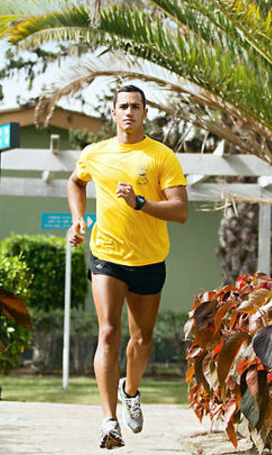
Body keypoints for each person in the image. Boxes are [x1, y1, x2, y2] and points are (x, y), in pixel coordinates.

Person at [66, 85, 188, 449]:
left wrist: (140, 203)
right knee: (107, 332)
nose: (129, 112)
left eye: (136, 106)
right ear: (114, 112)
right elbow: (75, 181)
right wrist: (77, 220)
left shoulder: (161, 156)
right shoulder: (95, 153)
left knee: (141, 339)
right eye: (123, 106)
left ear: (145, 113)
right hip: (106, 255)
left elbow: (180, 211)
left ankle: (130, 390)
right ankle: (109, 421)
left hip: (149, 259)